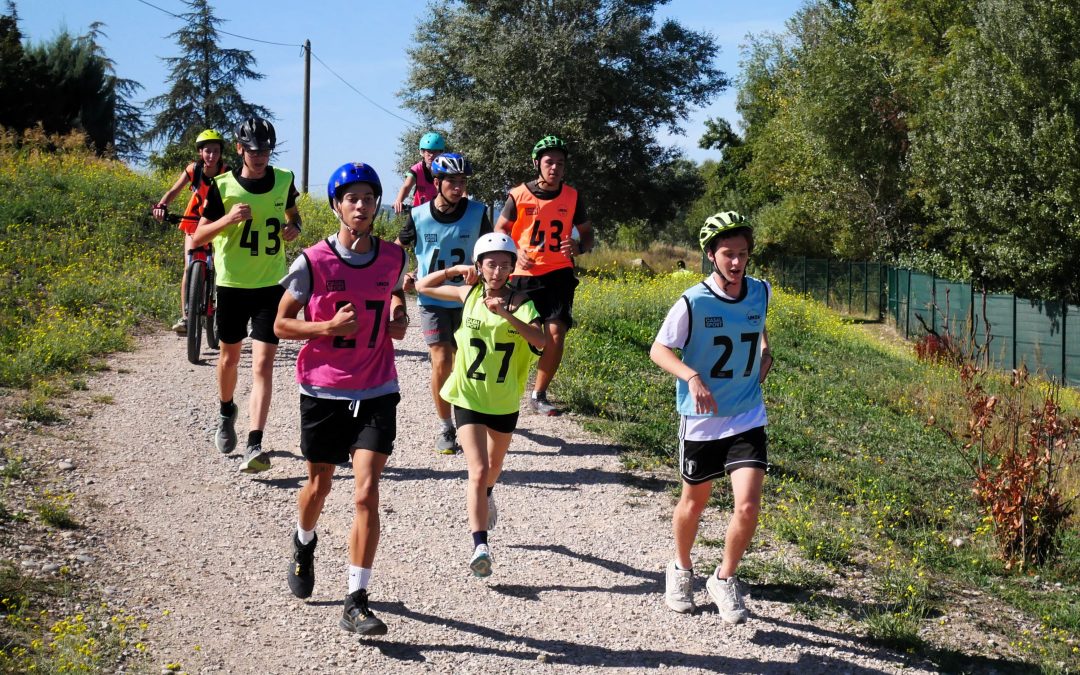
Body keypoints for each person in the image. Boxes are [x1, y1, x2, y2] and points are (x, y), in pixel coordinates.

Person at [275, 162, 408, 636]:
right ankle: (303, 540)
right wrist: (326, 328)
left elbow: (394, 296)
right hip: (324, 388)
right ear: (336, 206)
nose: (361, 206)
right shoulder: (311, 262)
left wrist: (398, 315)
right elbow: (281, 325)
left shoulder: (394, 256)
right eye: (351, 198)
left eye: (368, 198)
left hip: (377, 387)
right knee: (319, 486)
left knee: (367, 492)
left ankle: (356, 598)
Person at [649, 211, 773, 624]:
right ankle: (681, 569)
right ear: (710, 255)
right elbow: (660, 350)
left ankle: (724, 577)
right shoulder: (692, 301)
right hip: (702, 419)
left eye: (743, 254)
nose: (737, 263)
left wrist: (763, 352)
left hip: (747, 414)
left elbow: (758, 326)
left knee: (749, 505)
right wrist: (692, 375)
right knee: (695, 500)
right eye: (728, 254)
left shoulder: (761, 291)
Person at [415, 232, 546, 577]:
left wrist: (507, 315)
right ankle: (480, 545)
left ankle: (488, 493)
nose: (498, 270)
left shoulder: (523, 303)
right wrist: (454, 269)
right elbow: (422, 287)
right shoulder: (469, 292)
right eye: (491, 263)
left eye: (505, 264)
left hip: (503, 400)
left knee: (493, 468)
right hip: (468, 396)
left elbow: (541, 342)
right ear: (480, 266)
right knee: (477, 468)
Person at [193, 117, 301, 474]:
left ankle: (255, 442)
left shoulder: (284, 180)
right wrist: (228, 220)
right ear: (239, 149)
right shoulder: (222, 186)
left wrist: (293, 227)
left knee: (263, 363)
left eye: (266, 150)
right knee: (230, 359)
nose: (260, 157)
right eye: (253, 150)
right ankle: (226, 410)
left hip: (270, 286)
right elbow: (197, 238)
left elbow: (292, 213)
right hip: (232, 286)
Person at [395, 152, 493, 453]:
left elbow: (490, 251)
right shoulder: (418, 214)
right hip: (432, 298)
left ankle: (472, 416)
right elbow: (399, 251)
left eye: (462, 181)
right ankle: (446, 427)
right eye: (452, 180)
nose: (458, 186)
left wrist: (485, 274)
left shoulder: (477, 212)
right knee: (441, 359)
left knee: (468, 362)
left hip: (467, 299)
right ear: (436, 182)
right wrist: (406, 274)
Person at [495, 135, 593, 416]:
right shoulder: (518, 195)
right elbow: (500, 228)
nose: (555, 168)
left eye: (560, 163)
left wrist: (579, 246)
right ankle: (503, 385)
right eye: (549, 162)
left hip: (559, 273)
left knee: (556, 333)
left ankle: (539, 394)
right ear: (537, 163)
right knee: (515, 332)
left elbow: (587, 234)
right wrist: (513, 250)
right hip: (523, 274)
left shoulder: (573, 196)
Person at [153, 129, 229, 334]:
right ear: (200, 153)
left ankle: (221, 312)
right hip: (193, 223)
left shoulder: (227, 172)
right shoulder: (194, 170)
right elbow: (173, 191)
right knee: (189, 266)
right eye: (207, 151)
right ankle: (186, 317)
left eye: (215, 151)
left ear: (221, 153)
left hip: (216, 224)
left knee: (221, 269)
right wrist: (161, 206)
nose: (211, 155)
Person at [391, 131, 445, 214]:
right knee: (409, 227)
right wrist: (399, 201)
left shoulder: (446, 170)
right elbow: (406, 186)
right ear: (422, 152)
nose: (431, 155)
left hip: (440, 212)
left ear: (441, 153)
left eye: (435, 151)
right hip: (419, 213)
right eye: (428, 151)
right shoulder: (417, 169)